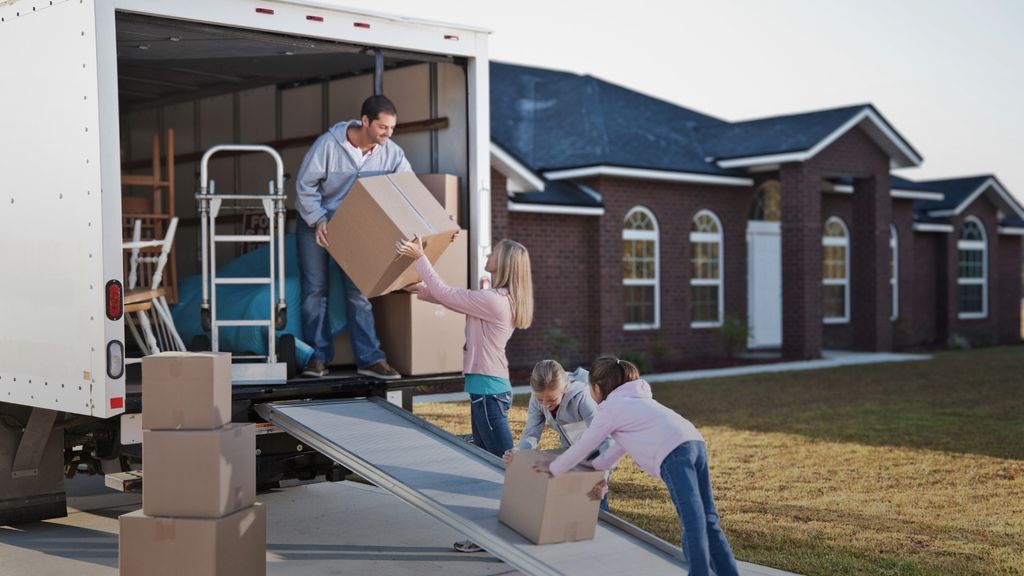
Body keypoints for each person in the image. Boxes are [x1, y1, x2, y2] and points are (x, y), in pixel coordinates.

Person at [534, 356, 740, 576]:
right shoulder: (637, 401)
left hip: (674, 453)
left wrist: (554, 468)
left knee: (693, 521)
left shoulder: (610, 409)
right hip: (695, 442)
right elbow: (619, 447)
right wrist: (597, 465)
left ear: (595, 388)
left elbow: (584, 444)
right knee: (708, 518)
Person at [396, 236, 533, 554]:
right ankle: (488, 537)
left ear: (506, 263)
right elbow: (447, 298)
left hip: (489, 393)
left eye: (494, 252)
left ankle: (515, 536)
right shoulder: (496, 298)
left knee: (504, 469)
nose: (488, 253)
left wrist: (421, 257)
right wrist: (411, 289)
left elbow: (448, 293)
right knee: (486, 468)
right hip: (486, 391)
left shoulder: (495, 300)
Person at [294, 94, 410, 379]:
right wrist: (318, 219)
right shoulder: (328, 145)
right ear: (366, 121)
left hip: (356, 228)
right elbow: (304, 186)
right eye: (383, 127)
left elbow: (406, 189)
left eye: (392, 128)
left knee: (359, 294)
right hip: (316, 222)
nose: (388, 134)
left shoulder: (392, 152)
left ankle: (370, 359)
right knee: (314, 292)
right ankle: (317, 358)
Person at [505, 359, 614, 511]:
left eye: (551, 400)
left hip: (598, 453)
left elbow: (605, 440)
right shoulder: (538, 399)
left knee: (594, 501)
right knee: (572, 500)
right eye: (540, 399)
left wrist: (603, 477)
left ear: (564, 388)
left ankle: (602, 524)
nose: (545, 405)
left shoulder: (582, 398)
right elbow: (532, 432)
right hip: (570, 450)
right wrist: (520, 452)